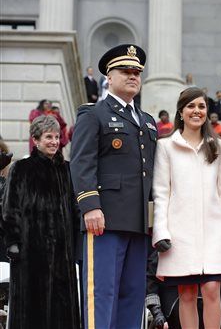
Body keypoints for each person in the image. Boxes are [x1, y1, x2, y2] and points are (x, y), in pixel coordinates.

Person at [70, 44, 157, 328]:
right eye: (125, 71)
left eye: (137, 72)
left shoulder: (146, 121)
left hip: (138, 222)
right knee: (101, 294)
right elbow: (82, 162)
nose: (133, 76)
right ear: (109, 76)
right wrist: (90, 206)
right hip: (103, 220)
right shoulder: (93, 114)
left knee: (133, 296)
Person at [151, 87, 221, 328]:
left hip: (214, 231)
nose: (197, 111)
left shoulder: (219, 147)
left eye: (201, 106)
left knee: (212, 290)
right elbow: (161, 193)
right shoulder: (165, 146)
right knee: (187, 293)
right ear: (181, 111)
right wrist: (161, 231)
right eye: (191, 106)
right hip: (179, 232)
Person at [1, 115, 80, 328]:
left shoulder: (67, 170)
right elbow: (10, 210)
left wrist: (76, 249)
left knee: (60, 310)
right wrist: (14, 244)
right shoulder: (21, 169)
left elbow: (74, 211)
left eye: (57, 137)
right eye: (48, 137)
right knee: (31, 310)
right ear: (36, 140)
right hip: (29, 254)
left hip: (62, 255)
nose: (54, 141)